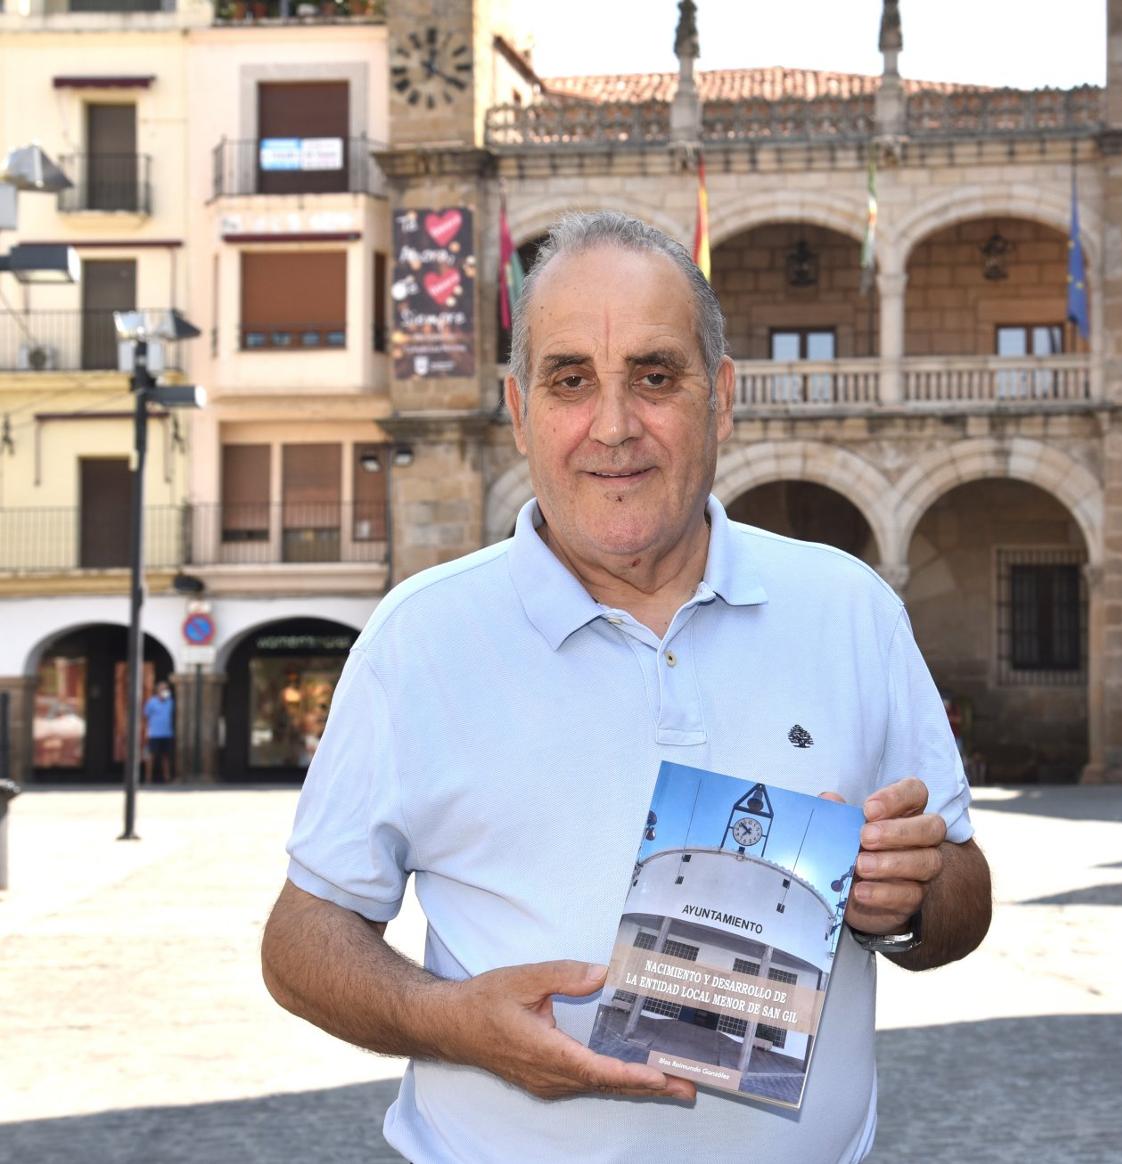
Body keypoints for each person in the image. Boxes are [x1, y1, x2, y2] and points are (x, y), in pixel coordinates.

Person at [260, 211, 992, 1163]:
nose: (613, 426)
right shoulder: (421, 638)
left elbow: (964, 894)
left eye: (655, 376)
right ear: (520, 411)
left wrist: (912, 898)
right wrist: (446, 1021)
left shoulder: (850, 609)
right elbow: (302, 937)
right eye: (570, 381)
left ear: (721, 398)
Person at [142, 680, 175, 785]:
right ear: (157, 690)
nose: (164, 690)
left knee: (166, 757)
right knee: (151, 756)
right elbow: (145, 716)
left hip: (167, 734)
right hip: (154, 734)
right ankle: (148, 779)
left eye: (166, 688)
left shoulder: (170, 702)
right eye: (162, 688)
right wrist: (146, 731)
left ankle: (167, 778)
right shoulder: (151, 702)